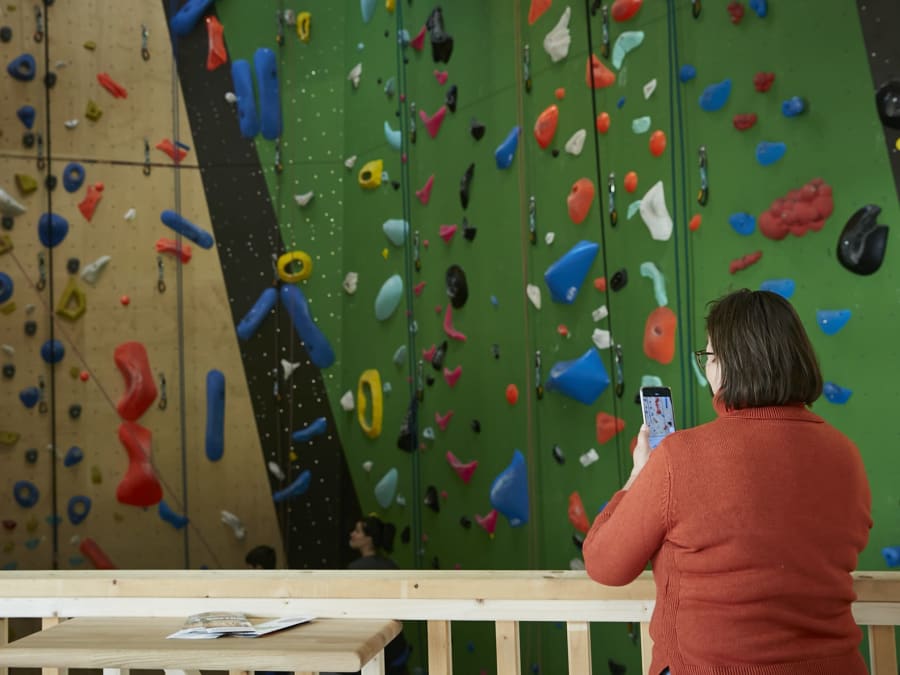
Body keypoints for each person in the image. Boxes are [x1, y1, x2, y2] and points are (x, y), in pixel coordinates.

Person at [583, 289, 872, 675]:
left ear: (724, 364)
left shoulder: (677, 457)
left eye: (708, 356)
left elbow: (605, 564)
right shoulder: (846, 456)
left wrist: (638, 475)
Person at [341, 516, 411, 674]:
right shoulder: (391, 566)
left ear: (369, 538)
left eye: (357, 531)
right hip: (395, 646)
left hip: (369, 646)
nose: (352, 534)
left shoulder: (355, 569)